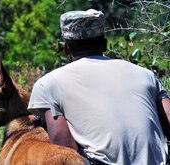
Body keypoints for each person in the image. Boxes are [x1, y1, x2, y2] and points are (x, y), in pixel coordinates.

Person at [27, 9, 170, 165]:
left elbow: (64, 149)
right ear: (104, 44)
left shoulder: (49, 84)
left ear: (66, 49)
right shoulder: (145, 74)